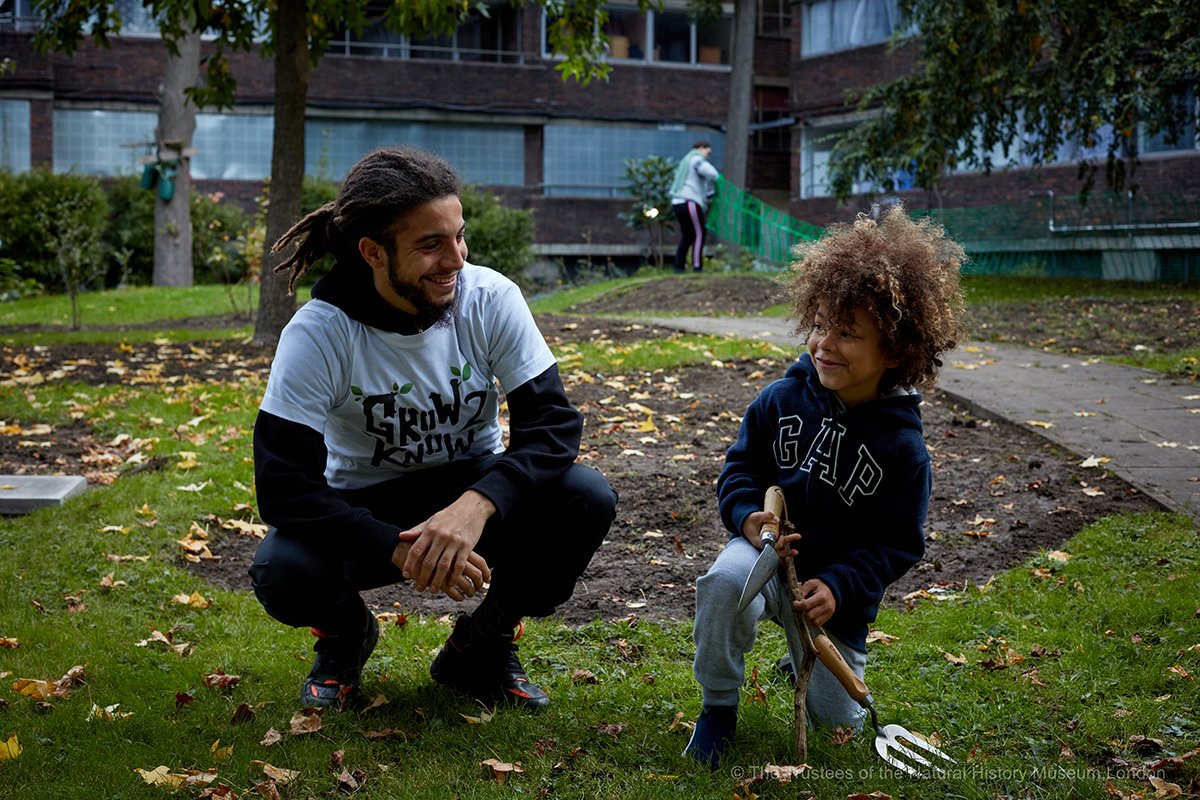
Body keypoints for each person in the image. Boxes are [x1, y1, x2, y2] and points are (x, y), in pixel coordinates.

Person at [249, 146, 617, 712]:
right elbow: (283, 485)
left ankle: (481, 644)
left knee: (585, 496)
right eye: (430, 245)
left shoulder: (490, 297)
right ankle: (346, 639)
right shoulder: (319, 333)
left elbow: (553, 426)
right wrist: (394, 548)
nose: (455, 259)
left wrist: (477, 506)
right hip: (367, 503)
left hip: (473, 483)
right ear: (373, 252)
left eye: (459, 236)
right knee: (282, 568)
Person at [684, 204, 965, 767]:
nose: (823, 345)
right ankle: (718, 707)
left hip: (831, 602)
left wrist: (838, 584)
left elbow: (898, 544)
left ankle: (804, 664)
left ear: (892, 351)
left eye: (846, 334)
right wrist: (747, 517)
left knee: (839, 721)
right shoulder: (780, 400)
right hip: (766, 556)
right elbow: (739, 473)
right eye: (818, 325)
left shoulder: (902, 449)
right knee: (722, 583)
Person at [669, 140, 720, 273]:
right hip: (690, 202)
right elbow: (712, 174)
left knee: (687, 235)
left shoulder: (685, 162)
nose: (708, 155)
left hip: (677, 203)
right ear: (701, 148)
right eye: (708, 152)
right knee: (699, 233)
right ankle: (697, 266)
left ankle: (678, 267)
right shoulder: (696, 159)